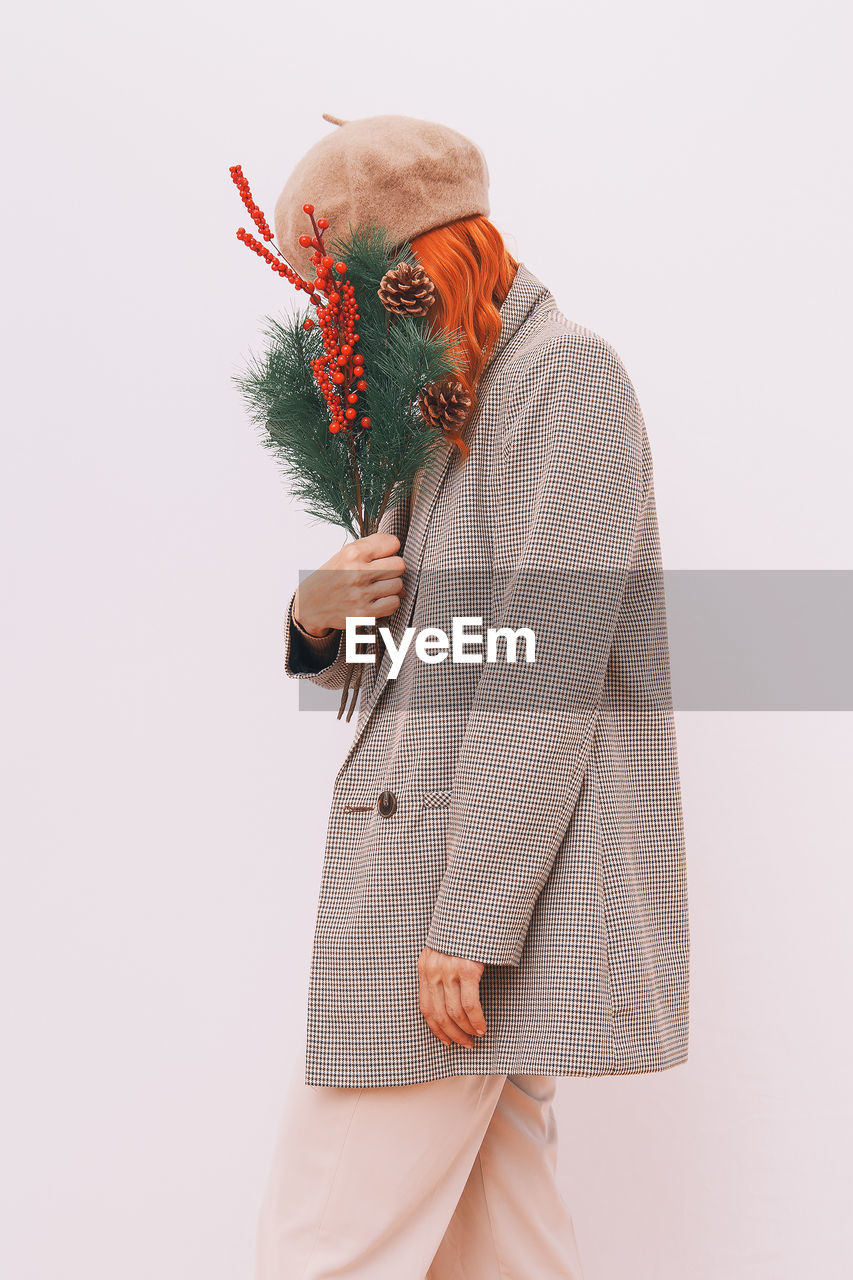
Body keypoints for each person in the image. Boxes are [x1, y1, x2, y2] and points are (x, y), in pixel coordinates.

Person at [254, 112, 690, 1280]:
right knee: (499, 1251)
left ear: (417, 265)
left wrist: (470, 921)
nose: (334, 328)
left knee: (319, 1245)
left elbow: (547, 668)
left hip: (455, 903)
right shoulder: (449, 408)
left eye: (346, 295)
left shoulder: (564, 379)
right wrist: (316, 617)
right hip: (436, 879)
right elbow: (427, 653)